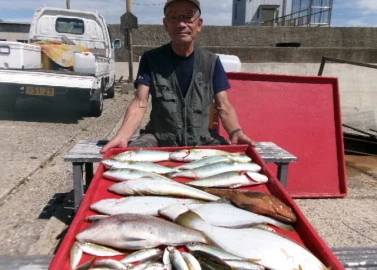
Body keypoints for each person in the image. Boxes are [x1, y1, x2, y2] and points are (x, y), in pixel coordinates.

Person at [101, 0, 254, 153]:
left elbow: (224, 105)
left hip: (203, 139)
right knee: (129, 158)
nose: (181, 24)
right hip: (158, 138)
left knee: (234, 162)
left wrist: (236, 132)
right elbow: (140, 103)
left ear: (199, 24)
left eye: (188, 17)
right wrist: (122, 136)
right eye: (174, 18)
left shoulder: (212, 62)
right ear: (166, 24)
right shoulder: (151, 60)